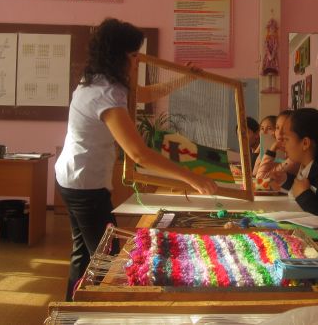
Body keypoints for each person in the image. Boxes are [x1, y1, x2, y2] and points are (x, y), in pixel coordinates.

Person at [55, 18, 217, 301]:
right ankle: (88, 312)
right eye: (132, 55)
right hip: (84, 185)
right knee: (106, 260)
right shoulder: (105, 92)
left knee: (85, 254)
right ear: (116, 55)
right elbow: (138, 153)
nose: (137, 60)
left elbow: (147, 93)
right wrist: (192, 178)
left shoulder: (99, 80)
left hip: (72, 177)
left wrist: (185, 78)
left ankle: (71, 310)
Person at [255, 110, 299, 187]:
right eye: (277, 128)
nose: (280, 132)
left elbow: (260, 180)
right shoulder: (280, 152)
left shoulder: (294, 158)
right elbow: (255, 172)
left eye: (285, 128)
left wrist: (271, 151)